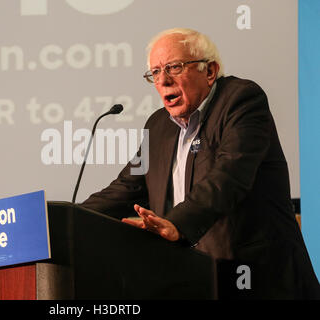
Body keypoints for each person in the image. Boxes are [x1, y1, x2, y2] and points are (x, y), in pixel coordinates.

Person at [80, 28, 320, 299]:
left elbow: (228, 177)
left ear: (210, 71)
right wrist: (67, 220)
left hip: (259, 278)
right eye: (155, 72)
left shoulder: (241, 101)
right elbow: (125, 188)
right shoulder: (158, 126)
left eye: (174, 67)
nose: (163, 80)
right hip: (194, 280)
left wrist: (177, 224)